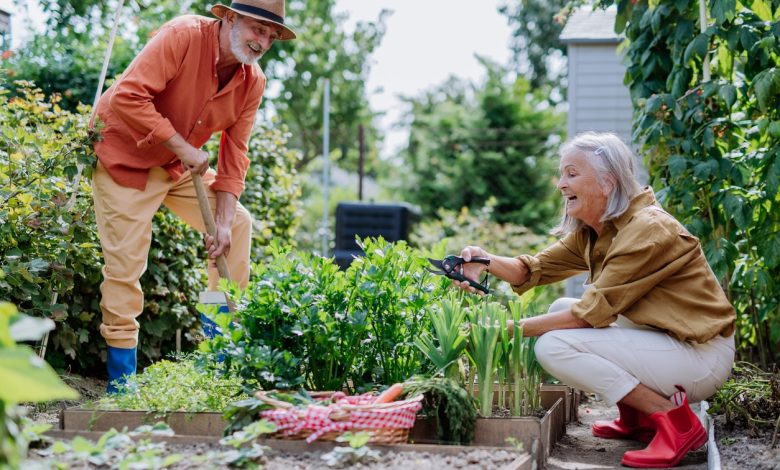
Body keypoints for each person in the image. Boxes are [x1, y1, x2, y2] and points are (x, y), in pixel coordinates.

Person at [455, 132, 735, 468]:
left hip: (700, 357)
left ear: (607, 182)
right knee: (560, 310)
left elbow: (589, 315)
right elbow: (529, 270)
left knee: (552, 346)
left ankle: (674, 421)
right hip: (670, 343)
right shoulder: (597, 231)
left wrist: (507, 329)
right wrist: (483, 261)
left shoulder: (647, 229)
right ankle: (637, 417)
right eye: (562, 174)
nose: (561, 184)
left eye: (572, 174)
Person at [91, 0, 296, 393]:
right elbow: (128, 96)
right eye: (257, 28)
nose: (263, 41)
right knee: (126, 264)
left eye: (271, 35)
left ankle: (221, 355)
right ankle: (122, 383)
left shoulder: (253, 81)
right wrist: (185, 149)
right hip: (123, 158)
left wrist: (219, 222)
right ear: (230, 18)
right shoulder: (183, 35)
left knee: (236, 223)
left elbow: (235, 155)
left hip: (174, 166)